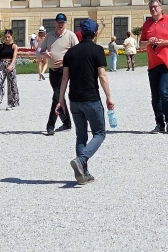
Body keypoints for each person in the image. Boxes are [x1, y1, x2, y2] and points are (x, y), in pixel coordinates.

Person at [58, 18, 114, 185]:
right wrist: (109, 96)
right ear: (96, 33)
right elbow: (102, 75)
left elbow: (65, 77)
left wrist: (61, 99)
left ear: (81, 33)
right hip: (91, 98)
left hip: (74, 99)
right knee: (99, 133)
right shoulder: (97, 50)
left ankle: (84, 173)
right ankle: (81, 161)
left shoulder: (70, 53)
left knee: (81, 135)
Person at [142, 0, 168, 134]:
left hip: (166, 62)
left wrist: (163, 43)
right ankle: (159, 123)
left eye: (155, 7)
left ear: (160, 7)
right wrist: (149, 42)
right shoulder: (147, 24)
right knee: (154, 96)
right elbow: (141, 44)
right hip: (153, 64)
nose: (153, 9)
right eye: (151, 7)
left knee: (163, 91)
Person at [41, 14, 78, 135]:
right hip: (53, 71)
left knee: (56, 97)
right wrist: (45, 54)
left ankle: (50, 125)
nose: (60, 24)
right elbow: (40, 51)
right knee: (59, 96)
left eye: (62, 22)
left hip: (65, 71)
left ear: (65, 23)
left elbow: (77, 53)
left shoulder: (70, 36)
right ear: (55, 23)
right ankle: (67, 122)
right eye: (58, 22)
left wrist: (65, 60)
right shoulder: (49, 36)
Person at [0, 30, 20, 111]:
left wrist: (11, 65)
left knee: (11, 84)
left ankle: (11, 103)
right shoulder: (1, 46)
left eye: (8, 37)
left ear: (11, 37)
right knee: (0, 84)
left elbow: (14, 57)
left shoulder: (14, 46)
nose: (7, 39)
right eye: (5, 37)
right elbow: (0, 56)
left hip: (10, 64)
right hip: (2, 65)